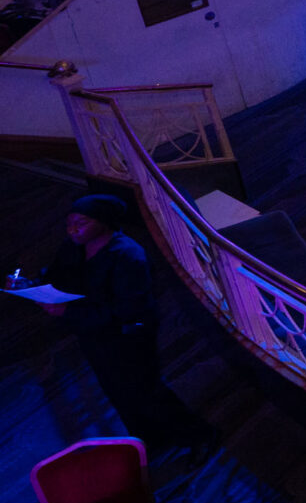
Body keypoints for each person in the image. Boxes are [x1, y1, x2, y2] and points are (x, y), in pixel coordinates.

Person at [43, 194, 217, 456]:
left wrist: (69, 311)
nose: (72, 229)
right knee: (116, 391)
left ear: (104, 222)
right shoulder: (74, 246)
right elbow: (57, 275)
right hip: (93, 333)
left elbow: (128, 310)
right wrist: (31, 285)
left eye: (81, 223)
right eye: (69, 223)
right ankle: (150, 440)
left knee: (145, 391)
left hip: (129, 336)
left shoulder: (128, 256)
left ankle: (199, 436)